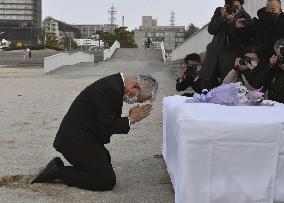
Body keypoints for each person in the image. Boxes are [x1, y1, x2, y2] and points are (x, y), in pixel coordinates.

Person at [31, 73, 158, 191]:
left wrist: (129, 119)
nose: (134, 101)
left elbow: (104, 125)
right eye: (137, 98)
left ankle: (63, 168)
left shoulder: (115, 84)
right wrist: (131, 119)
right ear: (135, 86)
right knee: (106, 180)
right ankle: (56, 171)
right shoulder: (111, 89)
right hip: (74, 140)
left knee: (105, 160)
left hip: (82, 135)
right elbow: (106, 128)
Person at [200, 0, 251, 90]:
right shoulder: (219, 11)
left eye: (237, 6)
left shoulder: (245, 16)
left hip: (231, 55)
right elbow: (211, 30)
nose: (234, 8)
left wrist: (233, 22)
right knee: (206, 82)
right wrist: (222, 18)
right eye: (231, 5)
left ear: (241, 5)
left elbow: (244, 37)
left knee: (226, 85)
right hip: (214, 52)